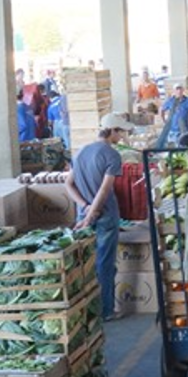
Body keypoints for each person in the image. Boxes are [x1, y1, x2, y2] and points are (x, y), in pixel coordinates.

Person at [66, 112, 134, 321]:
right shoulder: (111, 155)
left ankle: (86, 311)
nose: (121, 137)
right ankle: (105, 311)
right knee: (104, 264)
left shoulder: (81, 152)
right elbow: (104, 190)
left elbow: (68, 184)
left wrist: (84, 207)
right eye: (120, 132)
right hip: (104, 216)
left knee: (85, 263)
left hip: (84, 213)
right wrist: (93, 212)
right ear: (112, 131)